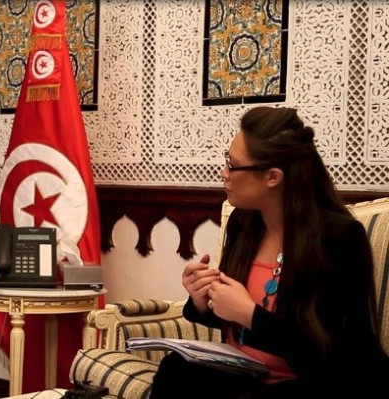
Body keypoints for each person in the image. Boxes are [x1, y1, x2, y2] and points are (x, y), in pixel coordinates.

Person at [150, 106, 389, 398]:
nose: (224, 173)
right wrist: (203, 299)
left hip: (319, 381)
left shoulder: (338, 238)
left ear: (273, 177)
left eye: (233, 165)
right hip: (248, 373)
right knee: (174, 370)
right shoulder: (244, 222)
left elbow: (333, 353)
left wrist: (250, 315)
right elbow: (231, 319)